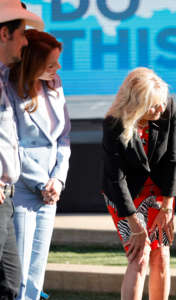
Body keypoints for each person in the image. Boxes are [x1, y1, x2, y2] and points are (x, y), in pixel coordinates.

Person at [102, 67, 176, 300]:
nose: (161, 108)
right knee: (140, 254)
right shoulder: (114, 124)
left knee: (161, 253)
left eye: (162, 102)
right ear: (136, 104)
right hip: (124, 193)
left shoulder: (168, 107)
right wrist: (135, 223)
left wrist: (166, 206)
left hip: (158, 189)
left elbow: (172, 157)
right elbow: (116, 178)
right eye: (154, 105)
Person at [8, 29, 70, 300]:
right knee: (18, 273)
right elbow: (11, 143)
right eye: (50, 64)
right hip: (22, 190)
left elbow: (64, 137)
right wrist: (41, 182)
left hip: (50, 192)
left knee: (36, 271)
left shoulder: (55, 86)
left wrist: (57, 180)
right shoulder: (8, 90)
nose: (57, 69)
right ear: (32, 62)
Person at [0, 1, 43, 299]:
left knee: (9, 284)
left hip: (6, 196)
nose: (27, 41)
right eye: (23, 34)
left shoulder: (3, 77)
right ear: (5, 34)